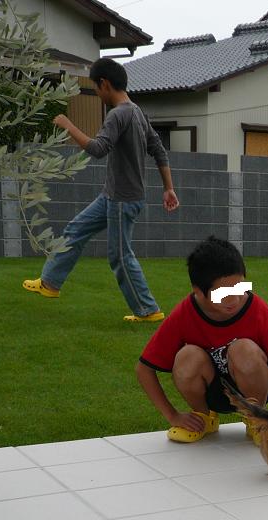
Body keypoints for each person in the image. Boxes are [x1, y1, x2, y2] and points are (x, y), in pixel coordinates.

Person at [22, 57, 179, 322]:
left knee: (120, 256)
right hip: (112, 195)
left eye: (95, 87)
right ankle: (50, 283)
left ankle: (148, 310)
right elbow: (159, 150)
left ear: (104, 84)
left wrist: (69, 125)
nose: (96, 93)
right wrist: (169, 188)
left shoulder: (118, 114)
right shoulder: (137, 113)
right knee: (75, 229)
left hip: (122, 199)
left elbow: (98, 149)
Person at [136, 236, 268, 443]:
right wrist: (172, 415)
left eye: (240, 288)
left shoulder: (256, 309)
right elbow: (144, 369)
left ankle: (256, 419)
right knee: (187, 356)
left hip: (254, 388)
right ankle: (204, 418)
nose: (234, 299)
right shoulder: (185, 313)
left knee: (243, 349)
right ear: (198, 292)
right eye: (223, 294)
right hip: (212, 393)